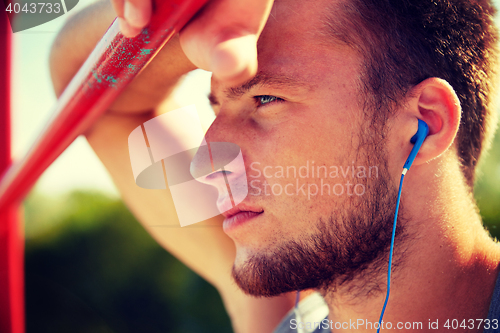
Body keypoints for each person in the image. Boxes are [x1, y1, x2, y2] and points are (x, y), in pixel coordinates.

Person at [49, 0, 500, 332]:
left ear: (425, 123)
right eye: (216, 108)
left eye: (266, 98)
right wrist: (195, 26)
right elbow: (91, 95)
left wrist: (178, 19)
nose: (208, 163)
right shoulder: (284, 309)